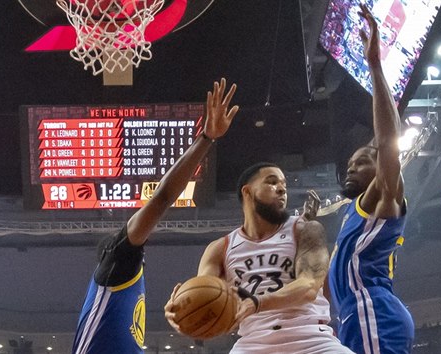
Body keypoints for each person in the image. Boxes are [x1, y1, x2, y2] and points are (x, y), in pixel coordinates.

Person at [72, 78, 239, 354]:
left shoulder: (127, 277)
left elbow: (161, 199)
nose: (142, 238)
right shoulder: (119, 259)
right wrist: (205, 139)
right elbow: (161, 199)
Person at [164, 162, 354, 354]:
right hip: (253, 343)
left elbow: (309, 287)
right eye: (272, 182)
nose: (281, 189)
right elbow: (214, 308)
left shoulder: (306, 229)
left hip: (311, 339)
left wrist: (257, 303)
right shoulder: (219, 248)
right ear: (247, 192)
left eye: (284, 185)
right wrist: (182, 311)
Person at [327, 4, 413, 354]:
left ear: (380, 169)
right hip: (359, 315)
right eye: (351, 162)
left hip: (371, 311)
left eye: (361, 161)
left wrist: (376, 67)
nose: (351, 166)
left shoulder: (383, 198)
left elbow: (388, 143)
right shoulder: (355, 211)